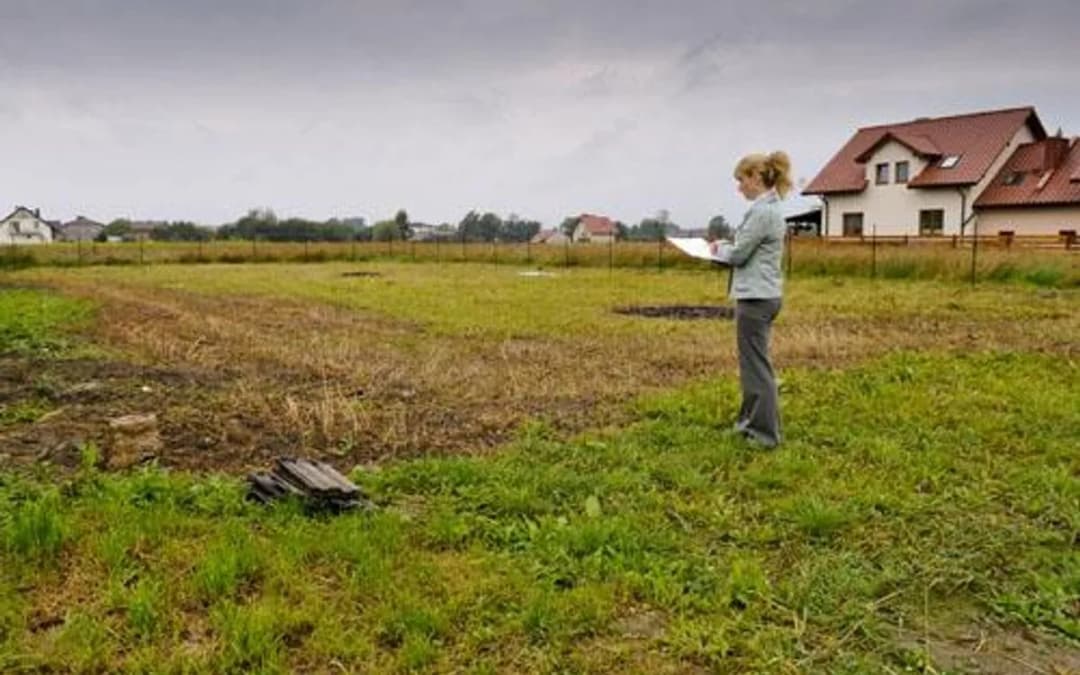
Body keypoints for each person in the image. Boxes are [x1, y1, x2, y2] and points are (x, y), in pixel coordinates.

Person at [709, 151, 791, 448]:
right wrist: (725, 245)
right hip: (762, 295)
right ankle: (748, 424)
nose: (739, 186)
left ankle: (765, 435)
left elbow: (740, 255)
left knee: (757, 369)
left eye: (741, 179)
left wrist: (715, 251)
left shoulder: (762, 212)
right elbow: (747, 247)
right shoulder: (768, 209)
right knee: (753, 366)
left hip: (756, 298)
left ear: (756, 177)